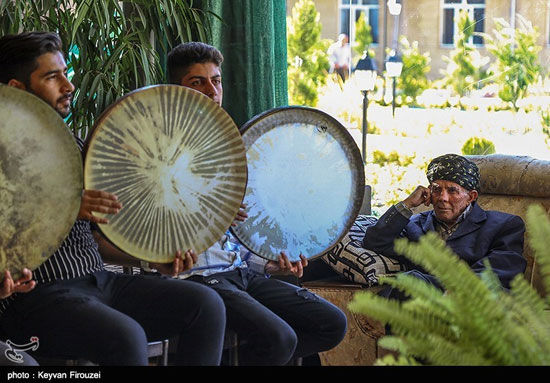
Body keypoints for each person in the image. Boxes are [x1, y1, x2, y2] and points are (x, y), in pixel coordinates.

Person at [0, 31, 227, 366]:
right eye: (52, 77)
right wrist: (64, 209)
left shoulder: (73, 146)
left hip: (99, 281)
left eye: (66, 74)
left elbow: (94, 238)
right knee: (126, 336)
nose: (68, 86)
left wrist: (151, 261)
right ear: (16, 90)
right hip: (38, 297)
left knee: (205, 305)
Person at [166, 41, 347, 366]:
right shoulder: (160, 151)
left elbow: (242, 231)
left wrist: (270, 265)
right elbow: (156, 226)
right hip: (196, 277)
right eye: (198, 82)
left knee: (331, 324)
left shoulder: (231, 147)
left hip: (240, 272)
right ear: (176, 90)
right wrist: (212, 213)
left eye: (216, 80)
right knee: (281, 338)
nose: (212, 90)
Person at [362, 153, 526, 301]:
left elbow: (499, 271)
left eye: (452, 191)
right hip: (421, 303)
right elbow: (375, 241)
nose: (442, 198)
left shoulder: (504, 225)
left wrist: (451, 292)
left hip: (476, 304)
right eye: (436, 189)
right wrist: (407, 204)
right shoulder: (415, 225)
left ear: (471, 196)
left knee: (412, 281)